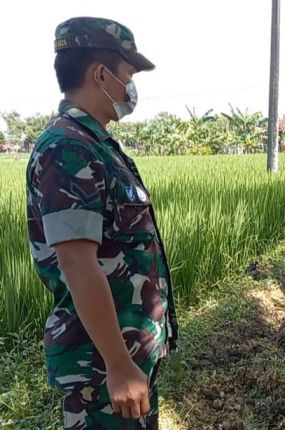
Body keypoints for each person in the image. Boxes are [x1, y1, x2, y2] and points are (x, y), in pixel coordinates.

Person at [26, 17, 177, 429]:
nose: (131, 87)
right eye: (128, 74)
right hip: (102, 369)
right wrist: (118, 364)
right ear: (101, 74)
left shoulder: (95, 144)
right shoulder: (68, 149)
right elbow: (78, 264)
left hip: (126, 359)